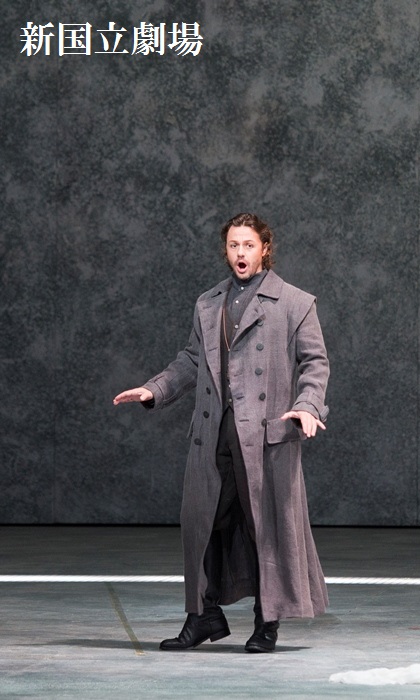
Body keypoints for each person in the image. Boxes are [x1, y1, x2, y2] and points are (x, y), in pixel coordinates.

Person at [113, 212, 330, 653]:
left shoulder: (294, 302)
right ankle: (203, 616)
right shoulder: (209, 303)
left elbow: (315, 364)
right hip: (213, 433)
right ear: (226, 250)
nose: (240, 253)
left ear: (264, 248)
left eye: (248, 245)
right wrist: (155, 389)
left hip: (265, 438)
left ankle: (267, 622)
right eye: (233, 245)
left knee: (261, 526)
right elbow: (192, 360)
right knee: (205, 524)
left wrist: (307, 406)